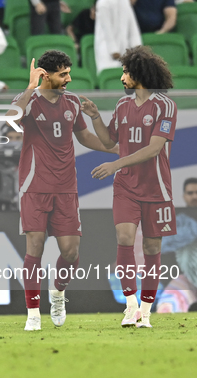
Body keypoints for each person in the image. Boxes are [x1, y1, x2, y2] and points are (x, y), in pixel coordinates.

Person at [10, 50, 117, 331]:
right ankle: (33, 314)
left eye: (69, 72)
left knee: (70, 253)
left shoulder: (71, 102)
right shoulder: (30, 101)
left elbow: (85, 137)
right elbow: (9, 120)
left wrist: (121, 151)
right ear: (46, 75)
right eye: (63, 74)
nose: (69, 78)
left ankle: (57, 292)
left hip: (66, 187)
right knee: (34, 247)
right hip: (34, 186)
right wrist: (30, 87)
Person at [80, 45, 177, 328]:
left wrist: (116, 164)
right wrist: (95, 116)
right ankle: (130, 306)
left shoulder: (165, 106)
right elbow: (111, 142)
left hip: (157, 188)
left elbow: (154, 148)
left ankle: (146, 312)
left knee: (150, 247)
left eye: (125, 72)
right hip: (126, 186)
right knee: (124, 239)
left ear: (139, 74)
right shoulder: (122, 106)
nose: (122, 77)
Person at [156, 177, 197, 313]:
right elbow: (162, 244)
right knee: (166, 308)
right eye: (190, 193)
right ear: (184, 196)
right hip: (190, 279)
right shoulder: (178, 220)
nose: (194, 196)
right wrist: (191, 230)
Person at [94, 0, 142, 75]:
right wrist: (114, 51)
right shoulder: (103, 3)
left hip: (125, 50)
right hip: (107, 52)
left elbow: (133, 27)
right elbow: (107, 29)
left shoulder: (125, 2)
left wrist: (137, 46)